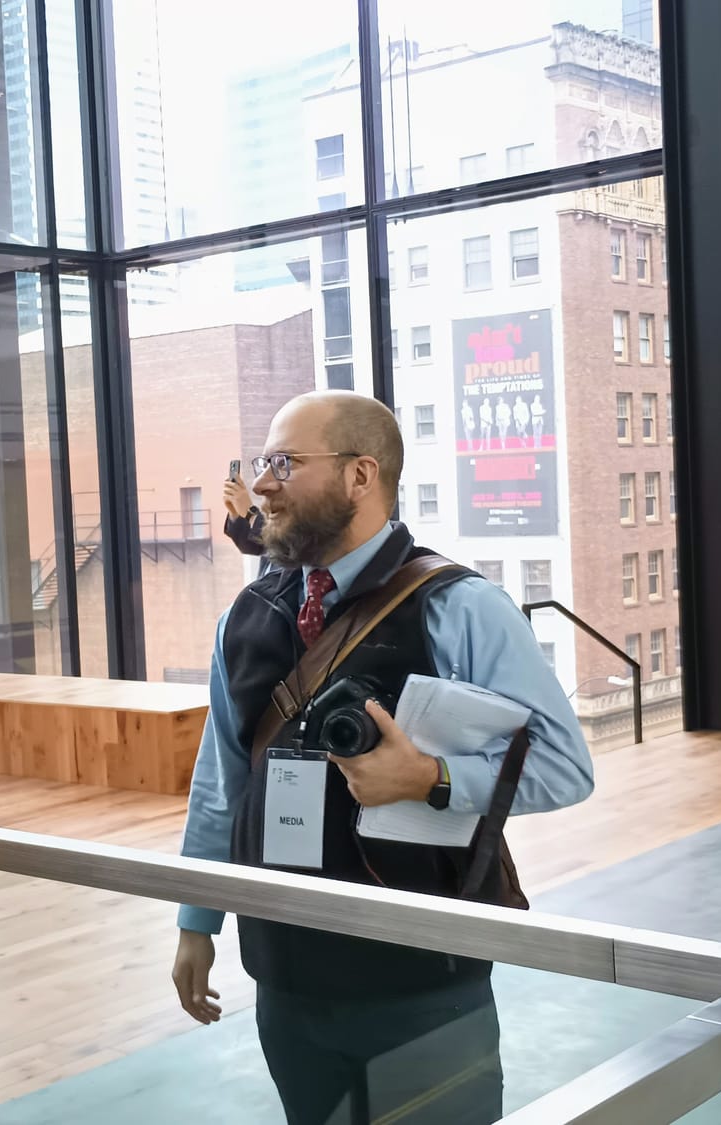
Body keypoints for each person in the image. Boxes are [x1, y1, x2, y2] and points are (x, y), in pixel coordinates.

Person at [169, 390, 594, 1125]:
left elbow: (564, 766)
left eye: (284, 463)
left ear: (360, 475)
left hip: (422, 979)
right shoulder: (246, 617)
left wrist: (431, 778)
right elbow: (222, 782)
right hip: (285, 974)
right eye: (264, 462)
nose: (261, 485)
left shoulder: (460, 606)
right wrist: (196, 921)